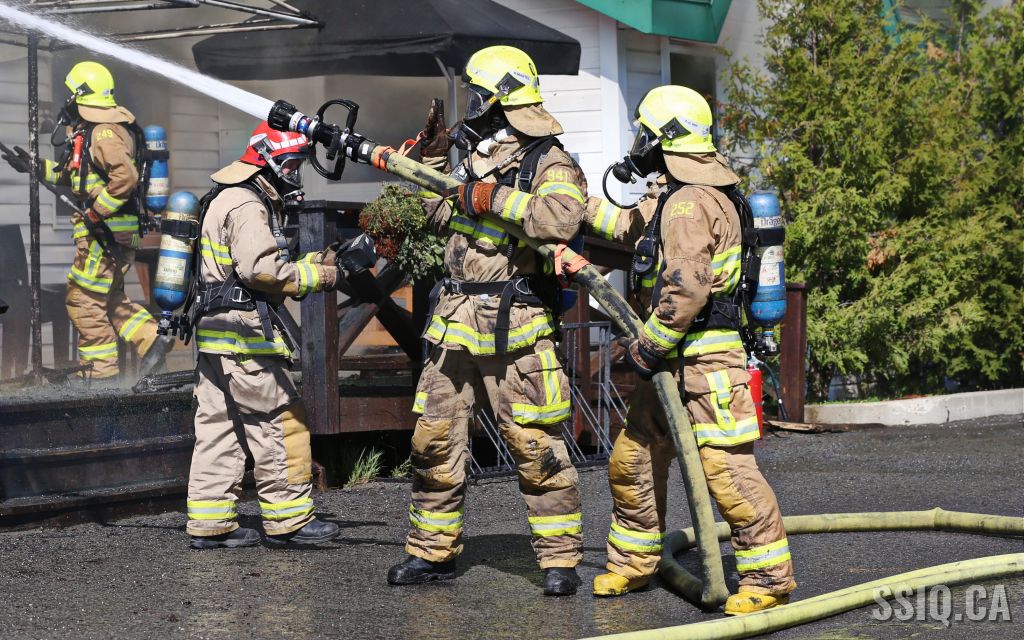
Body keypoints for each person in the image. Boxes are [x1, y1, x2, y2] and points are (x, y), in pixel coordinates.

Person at [583, 85, 796, 613]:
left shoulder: (687, 203)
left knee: (727, 473)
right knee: (633, 459)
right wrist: (560, 208)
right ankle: (634, 562)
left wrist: (646, 348)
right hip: (677, 363)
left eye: (645, 134)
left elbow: (686, 290)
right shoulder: (683, 196)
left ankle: (769, 580)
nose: (638, 144)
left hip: (704, 363)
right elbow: (626, 226)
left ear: (664, 139)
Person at [386, 45, 588, 596]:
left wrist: (491, 196)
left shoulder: (549, 161)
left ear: (499, 99)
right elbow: (434, 215)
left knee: (534, 443)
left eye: (478, 95)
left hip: (514, 323)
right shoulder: (474, 159)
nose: (472, 106)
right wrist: (430, 166)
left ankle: (559, 560)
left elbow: (560, 219)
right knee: (433, 439)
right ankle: (431, 554)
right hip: (454, 323)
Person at [184, 122, 355, 549]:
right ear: (267, 162)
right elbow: (261, 271)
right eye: (291, 165)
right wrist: (325, 277)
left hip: (216, 335)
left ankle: (210, 524)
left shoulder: (227, 196)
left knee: (218, 428)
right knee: (280, 421)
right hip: (245, 337)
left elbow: (248, 266)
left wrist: (319, 260)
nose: (294, 174)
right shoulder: (247, 203)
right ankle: (289, 519)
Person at [2, 61, 170, 380]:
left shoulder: (103, 132)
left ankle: (101, 377)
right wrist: (35, 166)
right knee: (109, 299)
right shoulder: (94, 130)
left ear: (80, 94)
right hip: (109, 234)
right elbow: (75, 176)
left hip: (104, 235)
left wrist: (96, 212)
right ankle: (152, 339)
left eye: (70, 93)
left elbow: (125, 178)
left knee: (83, 302)